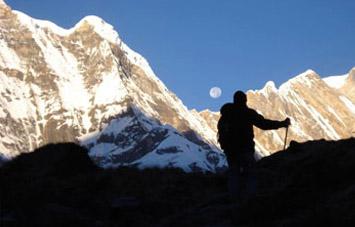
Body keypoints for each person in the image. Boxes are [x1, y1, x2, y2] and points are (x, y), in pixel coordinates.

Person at [218, 90, 290, 203]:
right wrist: (282, 124)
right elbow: (264, 124)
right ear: (244, 100)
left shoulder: (226, 115)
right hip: (245, 149)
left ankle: (234, 199)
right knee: (250, 173)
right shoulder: (247, 113)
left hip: (230, 150)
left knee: (234, 174)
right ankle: (249, 200)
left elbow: (221, 132)